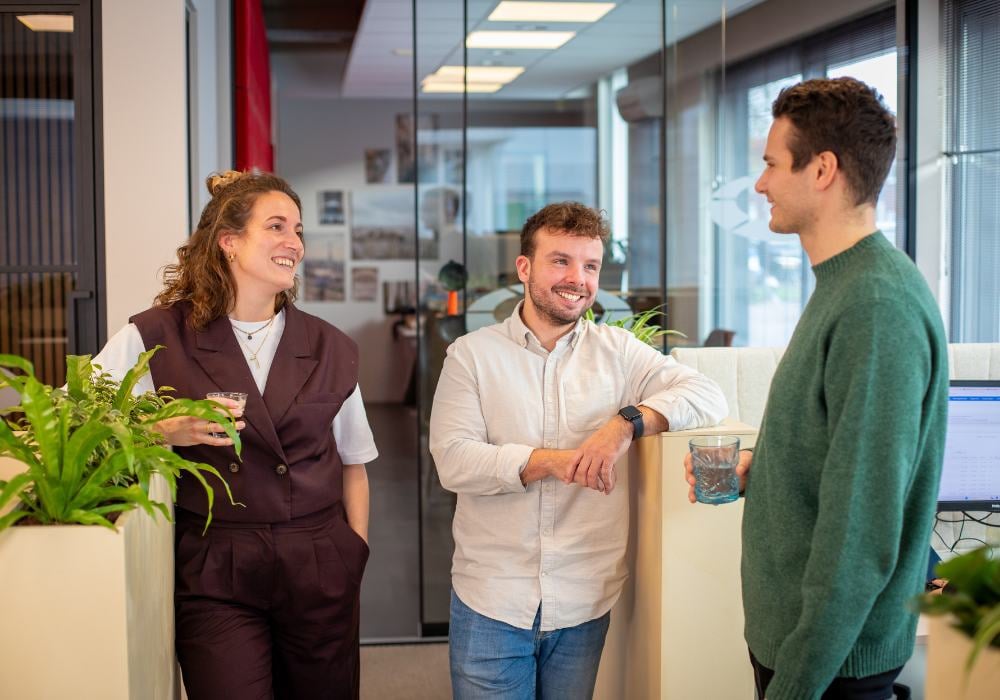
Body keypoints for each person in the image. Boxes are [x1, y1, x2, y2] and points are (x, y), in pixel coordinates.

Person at [684, 78, 949, 700]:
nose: (761, 184)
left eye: (772, 164)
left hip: (829, 668)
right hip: (805, 651)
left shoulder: (875, 305)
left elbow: (862, 536)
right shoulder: (843, 284)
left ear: (823, 169)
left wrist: (795, 686)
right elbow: (837, 450)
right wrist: (763, 469)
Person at [93, 170, 377, 699]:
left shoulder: (331, 347)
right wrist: (161, 429)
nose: (294, 242)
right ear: (229, 241)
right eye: (276, 226)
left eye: (298, 230)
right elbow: (76, 421)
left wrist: (353, 552)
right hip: (215, 562)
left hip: (318, 560)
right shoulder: (154, 336)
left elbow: (353, 462)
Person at [430, 202, 727, 699]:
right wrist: (551, 461)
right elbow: (454, 460)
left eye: (590, 266)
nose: (578, 279)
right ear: (524, 268)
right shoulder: (472, 356)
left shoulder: (619, 352)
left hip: (582, 601)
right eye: (561, 261)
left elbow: (707, 395)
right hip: (492, 598)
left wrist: (625, 424)